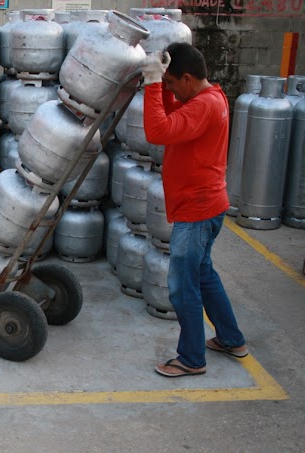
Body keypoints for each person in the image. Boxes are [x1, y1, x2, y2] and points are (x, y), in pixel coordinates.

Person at [140, 42, 248, 378]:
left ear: (187, 78)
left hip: (197, 211)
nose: (169, 89)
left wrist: (152, 84)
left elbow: (157, 130)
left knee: (182, 285)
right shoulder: (210, 98)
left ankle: (191, 358)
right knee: (204, 275)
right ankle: (231, 339)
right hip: (206, 205)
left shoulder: (204, 107)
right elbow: (174, 114)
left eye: (172, 83)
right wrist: (163, 84)